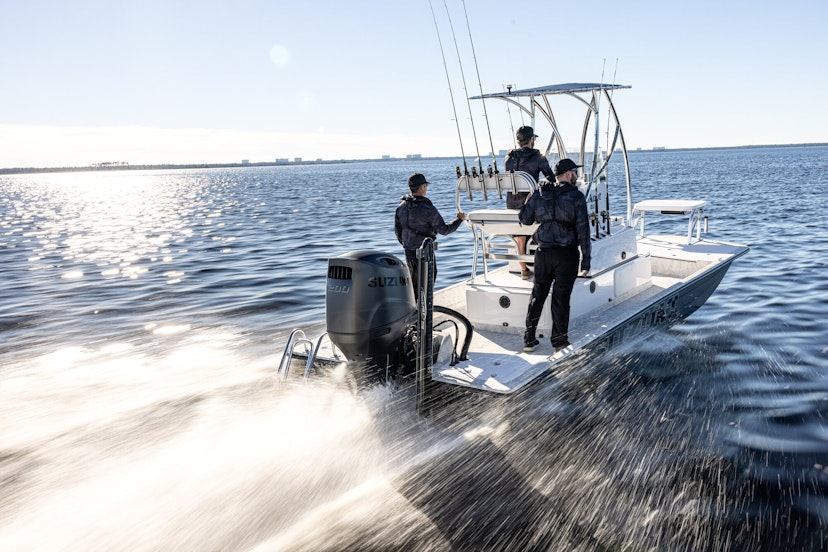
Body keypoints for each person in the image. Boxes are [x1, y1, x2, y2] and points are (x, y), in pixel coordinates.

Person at [518, 158, 591, 353]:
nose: (577, 175)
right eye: (575, 172)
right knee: (560, 298)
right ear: (568, 174)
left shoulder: (540, 193)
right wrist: (586, 262)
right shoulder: (576, 196)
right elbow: (583, 230)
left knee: (537, 295)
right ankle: (559, 342)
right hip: (566, 254)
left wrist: (531, 197)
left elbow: (525, 220)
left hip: (542, 252)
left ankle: (528, 339)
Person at [395, 173, 466, 301]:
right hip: (425, 253)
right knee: (426, 285)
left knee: (413, 286)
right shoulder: (428, 209)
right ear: (422, 187)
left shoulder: (401, 207)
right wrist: (459, 220)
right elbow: (444, 230)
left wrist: (408, 244)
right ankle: (424, 316)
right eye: (425, 185)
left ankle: (414, 315)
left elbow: (398, 233)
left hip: (408, 252)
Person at [504, 125, 555, 280]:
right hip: (529, 206)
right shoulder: (538, 157)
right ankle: (547, 265)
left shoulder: (508, 158)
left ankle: (524, 269)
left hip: (511, 205)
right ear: (532, 139)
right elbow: (552, 178)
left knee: (520, 235)